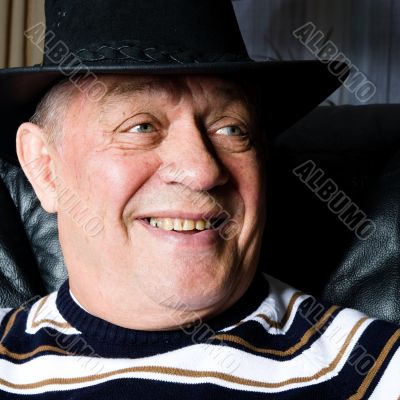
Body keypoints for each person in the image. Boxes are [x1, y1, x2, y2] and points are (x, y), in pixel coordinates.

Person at [0, 0, 398, 398]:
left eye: (231, 129)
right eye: (140, 126)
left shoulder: (379, 374)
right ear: (45, 168)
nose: (202, 171)